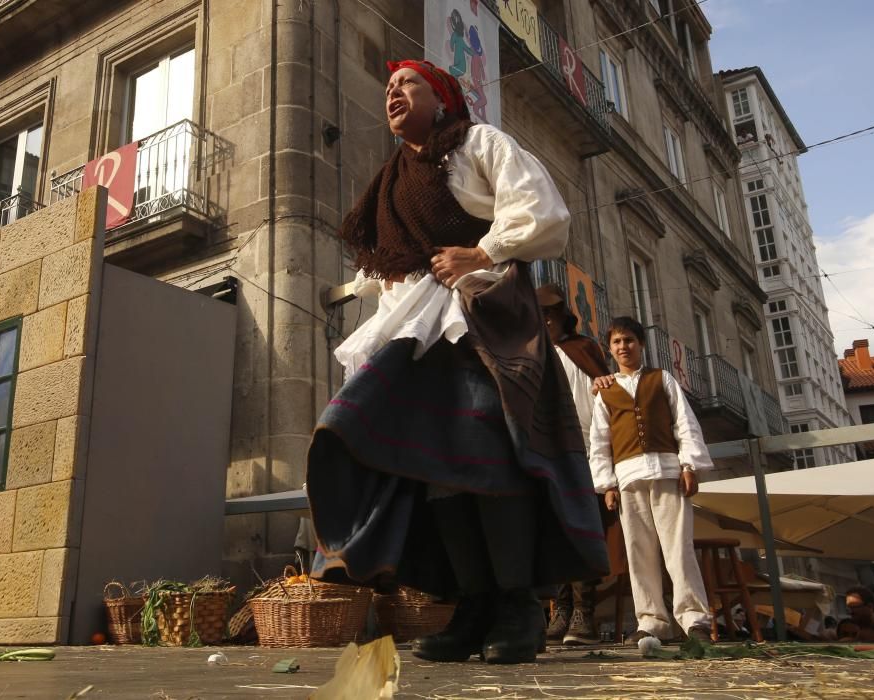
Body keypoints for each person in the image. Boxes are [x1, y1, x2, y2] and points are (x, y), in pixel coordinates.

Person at [306, 59, 609, 665]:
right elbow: (389, 265)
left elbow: (543, 212)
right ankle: (471, 607)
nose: (393, 91)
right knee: (437, 468)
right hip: (416, 331)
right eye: (388, 87)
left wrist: (481, 251)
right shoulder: (390, 181)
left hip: (484, 318)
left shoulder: (478, 142)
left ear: (441, 96)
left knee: (488, 454)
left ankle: (518, 606)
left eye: (407, 83)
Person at [590, 316, 715, 645]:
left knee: (679, 549)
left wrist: (689, 465)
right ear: (610, 349)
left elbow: (684, 424)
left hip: (667, 473)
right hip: (628, 478)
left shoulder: (662, 379)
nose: (623, 347)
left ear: (641, 344)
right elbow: (600, 442)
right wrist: (606, 485)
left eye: (629, 340)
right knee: (638, 552)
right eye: (617, 342)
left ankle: (694, 620)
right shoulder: (605, 392)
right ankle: (652, 621)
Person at [536, 285, 621, 646]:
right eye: (541, 316)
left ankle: (584, 614)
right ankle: (561, 610)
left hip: (585, 451)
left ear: (562, 319)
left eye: (552, 315)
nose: (546, 322)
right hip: (548, 453)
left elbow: (606, 401)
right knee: (554, 531)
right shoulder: (531, 354)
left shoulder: (583, 349)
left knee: (584, 529)